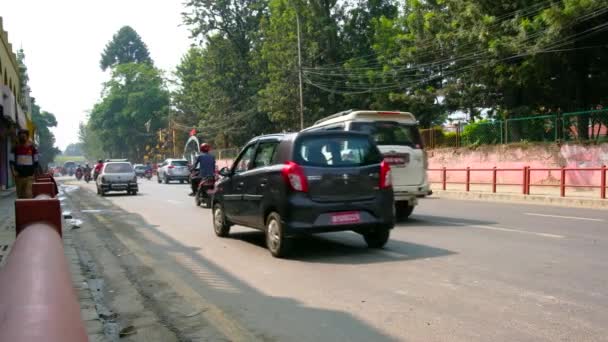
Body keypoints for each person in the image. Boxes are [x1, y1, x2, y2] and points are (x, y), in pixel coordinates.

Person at [10, 129, 39, 199]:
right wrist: (13, 172)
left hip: (29, 175)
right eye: (21, 136)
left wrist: (35, 173)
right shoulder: (14, 148)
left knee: (28, 194)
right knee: (20, 196)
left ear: (27, 137)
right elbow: (11, 161)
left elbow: (36, 161)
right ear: (18, 137)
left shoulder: (32, 148)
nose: (22, 138)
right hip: (19, 176)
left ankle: (29, 209)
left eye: (24, 136)